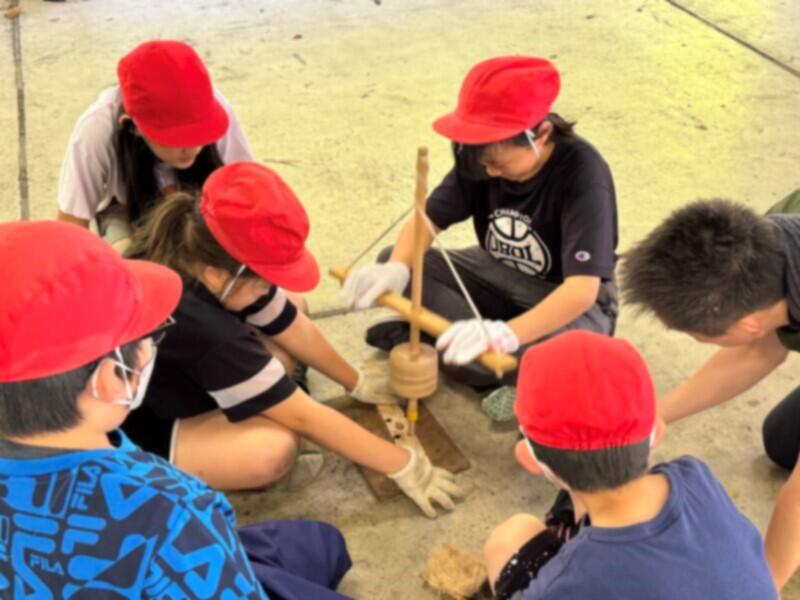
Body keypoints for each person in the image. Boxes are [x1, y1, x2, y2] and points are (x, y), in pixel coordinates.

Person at [0, 220, 352, 598]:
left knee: (316, 544)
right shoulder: (171, 507)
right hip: (181, 562)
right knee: (320, 546)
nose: (151, 343)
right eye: (146, 333)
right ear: (111, 378)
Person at [123, 160, 462, 517]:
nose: (269, 288)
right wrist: (402, 465)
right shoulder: (204, 326)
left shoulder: (197, 248)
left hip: (171, 373)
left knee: (292, 313)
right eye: (263, 280)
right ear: (217, 275)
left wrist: (356, 381)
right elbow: (304, 418)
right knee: (273, 450)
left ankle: (243, 400)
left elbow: (289, 322)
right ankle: (146, 470)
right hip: (132, 426)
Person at [341, 56, 618, 421]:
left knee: (564, 362)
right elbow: (429, 219)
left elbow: (581, 290)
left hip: (567, 295)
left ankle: (456, 348)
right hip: (496, 270)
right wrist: (395, 268)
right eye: (483, 164)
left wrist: (507, 334)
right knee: (401, 262)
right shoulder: (481, 156)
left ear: (541, 134)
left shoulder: (583, 174)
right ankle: (467, 350)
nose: (489, 172)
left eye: (499, 165)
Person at [481, 330, 777, 599]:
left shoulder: (565, 584)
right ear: (657, 430)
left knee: (510, 538)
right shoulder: (695, 475)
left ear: (529, 458)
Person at [619, 190, 800, 590]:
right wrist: (655, 416)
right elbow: (760, 349)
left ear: (748, 324)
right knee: (782, 442)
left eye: (697, 335)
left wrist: (761, 587)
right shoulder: (766, 238)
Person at [56, 39, 252, 250]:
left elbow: (245, 186)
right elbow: (71, 225)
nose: (194, 148)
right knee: (127, 260)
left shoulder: (212, 105)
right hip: (127, 208)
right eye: (177, 139)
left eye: (201, 134)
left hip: (201, 202)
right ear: (132, 126)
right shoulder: (97, 128)